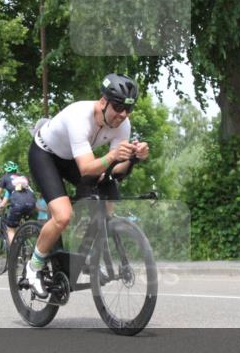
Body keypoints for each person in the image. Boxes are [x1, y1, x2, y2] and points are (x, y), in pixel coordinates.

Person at [24, 74, 149, 296]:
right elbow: (86, 169)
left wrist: (133, 158)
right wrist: (112, 157)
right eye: (118, 107)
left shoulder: (123, 124)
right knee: (63, 216)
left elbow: (114, 171)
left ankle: (90, 255)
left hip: (73, 158)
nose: (122, 114)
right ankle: (33, 266)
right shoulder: (79, 116)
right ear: (103, 102)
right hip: (45, 155)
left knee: (106, 195)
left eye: (128, 109)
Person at [0, 175, 37, 246]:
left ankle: (14, 252)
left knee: (10, 229)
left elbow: (2, 204)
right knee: (22, 226)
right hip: (31, 208)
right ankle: (27, 242)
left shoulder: (11, 189)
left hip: (18, 208)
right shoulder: (29, 189)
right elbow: (34, 201)